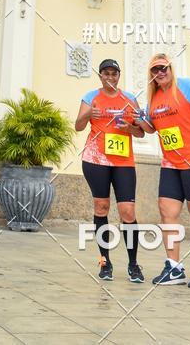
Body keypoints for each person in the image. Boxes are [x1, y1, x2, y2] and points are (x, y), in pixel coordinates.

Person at [137, 53, 190, 290]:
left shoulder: (185, 86)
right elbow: (151, 128)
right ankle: (174, 268)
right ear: (151, 75)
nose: (160, 73)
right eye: (155, 70)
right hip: (172, 162)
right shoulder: (153, 99)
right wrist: (138, 121)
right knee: (167, 211)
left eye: (163, 68)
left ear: (171, 68)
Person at [75, 58, 145, 282]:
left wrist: (131, 127)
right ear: (100, 76)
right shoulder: (90, 97)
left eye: (114, 74)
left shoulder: (130, 99)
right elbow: (78, 125)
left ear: (119, 76)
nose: (110, 77)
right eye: (106, 73)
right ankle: (105, 263)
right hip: (95, 160)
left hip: (123, 162)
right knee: (101, 207)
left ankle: (134, 265)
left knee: (128, 212)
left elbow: (142, 132)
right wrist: (89, 115)